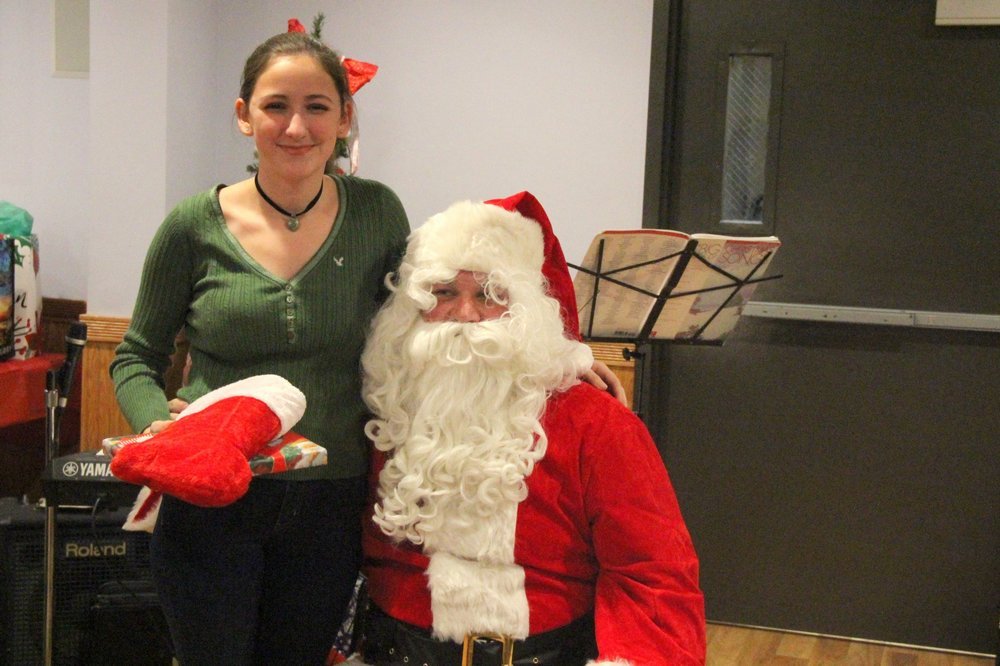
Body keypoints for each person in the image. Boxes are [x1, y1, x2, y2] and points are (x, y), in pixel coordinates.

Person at [110, 28, 625, 666]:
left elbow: (431, 318)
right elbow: (135, 356)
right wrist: (159, 430)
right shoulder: (192, 226)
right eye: (275, 106)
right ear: (244, 115)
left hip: (331, 507)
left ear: (345, 118)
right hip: (212, 501)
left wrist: (563, 358)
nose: (296, 126)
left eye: (317, 107)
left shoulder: (377, 213)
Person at [358, 193, 706, 665]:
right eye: (443, 293)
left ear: (525, 312)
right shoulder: (386, 408)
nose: (465, 315)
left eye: (489, 295)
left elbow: (652, 579)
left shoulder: (595, 424)